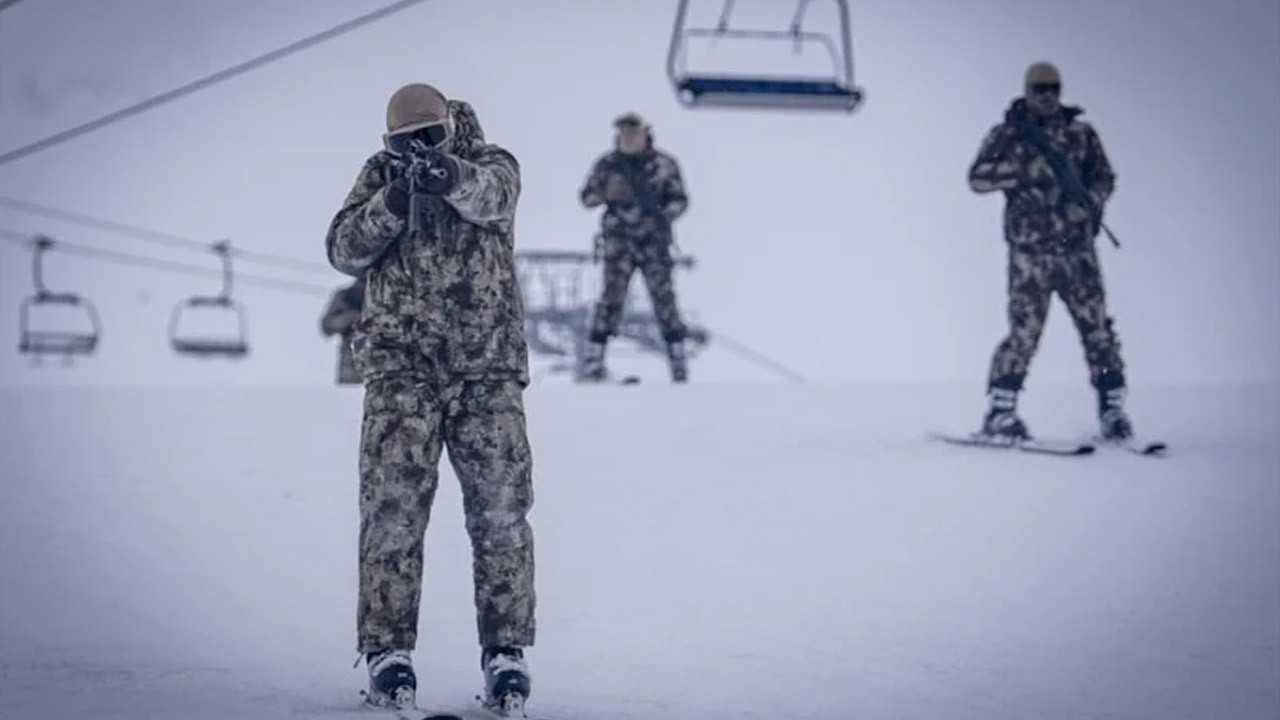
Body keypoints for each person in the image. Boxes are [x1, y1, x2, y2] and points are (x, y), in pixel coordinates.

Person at [324, 82, 535, 716]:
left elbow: (494, 198)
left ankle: (506, 653)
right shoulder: (379, 175)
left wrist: (448, 175)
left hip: (485, 370)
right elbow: (343, 249)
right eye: (403, 142)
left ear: (451, 127)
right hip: (401, 368)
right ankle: (387, 652)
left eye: (429, 137)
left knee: (501, 513)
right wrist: (392, 199)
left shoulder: (492, 162)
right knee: (391, 511)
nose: (417, 150)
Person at [968, 61, 1134, 442]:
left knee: (1098, 331)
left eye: (1053, 89)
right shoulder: (1008, 135)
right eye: (1038, 89)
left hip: (1077, 251)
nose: (1046, 97)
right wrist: (1023, 171)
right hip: (1031, 253)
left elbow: (1104, 176)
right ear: (1026, 92)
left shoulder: (1081, 134)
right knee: (1024, 332)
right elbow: (977, 178)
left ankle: (1112, 410)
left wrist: (1089, 202)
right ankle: (1001, 411)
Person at [578, 112, 691, 383]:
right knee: (610, 299)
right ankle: (594, 358)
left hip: (654, 243)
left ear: (644, 134)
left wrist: (661, 213)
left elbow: (680, 201)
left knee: (664, 299)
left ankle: (677, 360)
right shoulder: (608, 165)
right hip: (619, 243)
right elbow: (587, 198)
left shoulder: (663, 165)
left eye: (633, 132)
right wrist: (606, 193)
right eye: (624, 133)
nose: (628, 137)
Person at [319, 276, 366, 385]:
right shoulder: (346, 296)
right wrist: (350, 317)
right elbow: (327, 326)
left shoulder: (388, 294)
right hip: (351, 368)